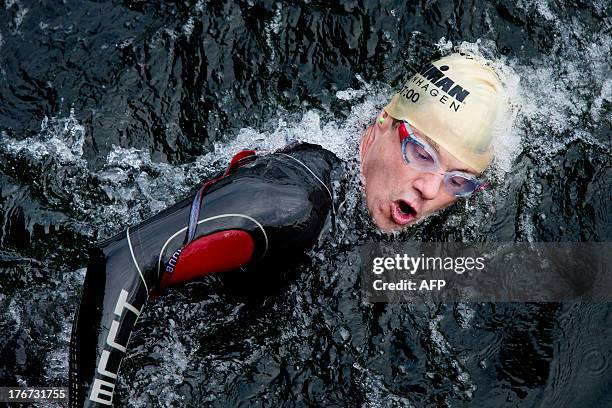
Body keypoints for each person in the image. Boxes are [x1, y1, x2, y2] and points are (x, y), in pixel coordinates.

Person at [69, 51, 510, 407]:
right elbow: (125, 258)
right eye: (421, 153)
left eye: (458, 180)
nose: (431, 188)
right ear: (377, 128)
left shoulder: (370, 204)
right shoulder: (293, 200)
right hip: (49, 370)